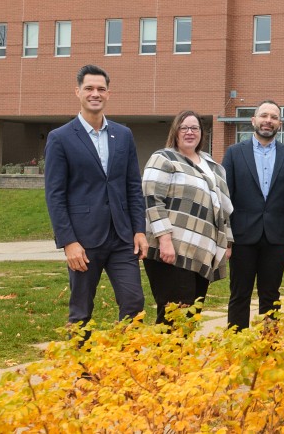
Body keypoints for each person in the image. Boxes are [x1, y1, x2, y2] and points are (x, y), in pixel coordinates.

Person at [44, 65, 147, 330]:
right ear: (77, 91)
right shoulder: (60, 138)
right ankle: (81, 370)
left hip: (122, 237)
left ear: (108, 94)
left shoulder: (123, 135)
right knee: (81, 311)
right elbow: (55, 195)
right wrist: (68, 242)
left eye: (101, 89)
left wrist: (139, 229)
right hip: (83, 240)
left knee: (134, 303)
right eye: (89, 88)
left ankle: (127, 367)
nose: (95, 93)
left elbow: (133, 185)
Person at [142, 111, 233, 325]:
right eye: (185, 128)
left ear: (202, 134)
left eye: (195, 128)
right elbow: (151, 199)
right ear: (176, 131)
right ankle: (166, 358)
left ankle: (182, 358)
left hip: (201, 253)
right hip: (172, 252)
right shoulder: (163, 158)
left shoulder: (213, 166)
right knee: (174, 315)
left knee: (191, 316)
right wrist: (164, 240)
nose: (190, 132)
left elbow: (223, 207)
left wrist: (227, 242)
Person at [222, 100, 284, 330]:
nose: (268, 121)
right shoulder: (234, 153)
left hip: (276, 238)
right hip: (241, 238)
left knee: (270, 297)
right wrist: (225, 239)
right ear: (254, 120)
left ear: (279, 123)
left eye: (274, 117)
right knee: (240, 295)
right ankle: (236, 349)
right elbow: (224, 199)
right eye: (264, 116)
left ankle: (268, 349)